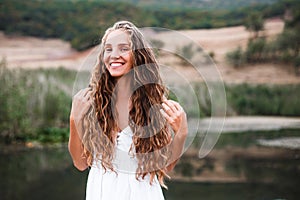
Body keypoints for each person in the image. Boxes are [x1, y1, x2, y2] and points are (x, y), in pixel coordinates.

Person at [68, 21, 188, 200]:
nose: (114, 55)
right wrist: (74, 120)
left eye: (123, 48)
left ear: (138, 56)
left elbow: (165, 166)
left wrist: (181, 133)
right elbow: (80, 163)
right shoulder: (91, 102)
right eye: (108, 49)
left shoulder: (154, 104)